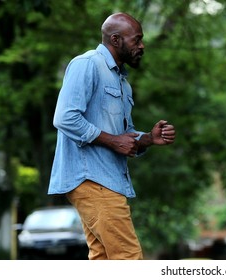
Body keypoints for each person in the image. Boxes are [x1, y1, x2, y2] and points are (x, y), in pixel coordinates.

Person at [48, 12, 176, 260]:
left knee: (104, 258)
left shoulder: (122, 82)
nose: (142, 46)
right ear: (116, 40)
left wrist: (148, 138)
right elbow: (64, 118)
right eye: (136, 40)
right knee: (128, 258)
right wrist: (113, 140)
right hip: (92, 179)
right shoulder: (87, 64)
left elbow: (123, 136)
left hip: (106, 179)